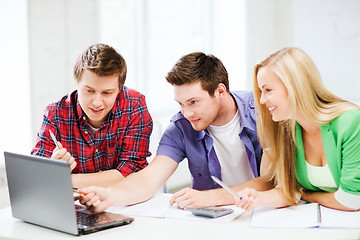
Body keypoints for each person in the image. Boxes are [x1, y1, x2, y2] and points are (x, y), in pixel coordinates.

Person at [78, 52, 272, 213]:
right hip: (217, 220)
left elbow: (271, 180)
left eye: (193, 102)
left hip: (268, 212)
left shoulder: (263, 112)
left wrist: (210, 197)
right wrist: (110, 196)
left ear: (220, 92)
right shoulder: (181, 126)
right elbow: (149, 179)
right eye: (181, 104)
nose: (186, 112)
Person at [234, 47, 360, 211]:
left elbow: (351, 200)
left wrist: (308, 196)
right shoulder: (287, 129)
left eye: (268, 90)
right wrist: (258, 197)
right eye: (261, 91)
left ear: (295, 86)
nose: (262, 100)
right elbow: (289, 190)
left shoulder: (350, 122)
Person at [32, 43, 153, 188]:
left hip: (122, 199)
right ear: (76, 84)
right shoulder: (55, 113)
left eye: (107, 93)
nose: (97, 102)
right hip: (75, 203)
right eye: (89, 91)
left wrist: (63, 178)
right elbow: (37, 175)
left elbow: (132, 170)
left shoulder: (134, 105)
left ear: (120, 89)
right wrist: (52, 166)